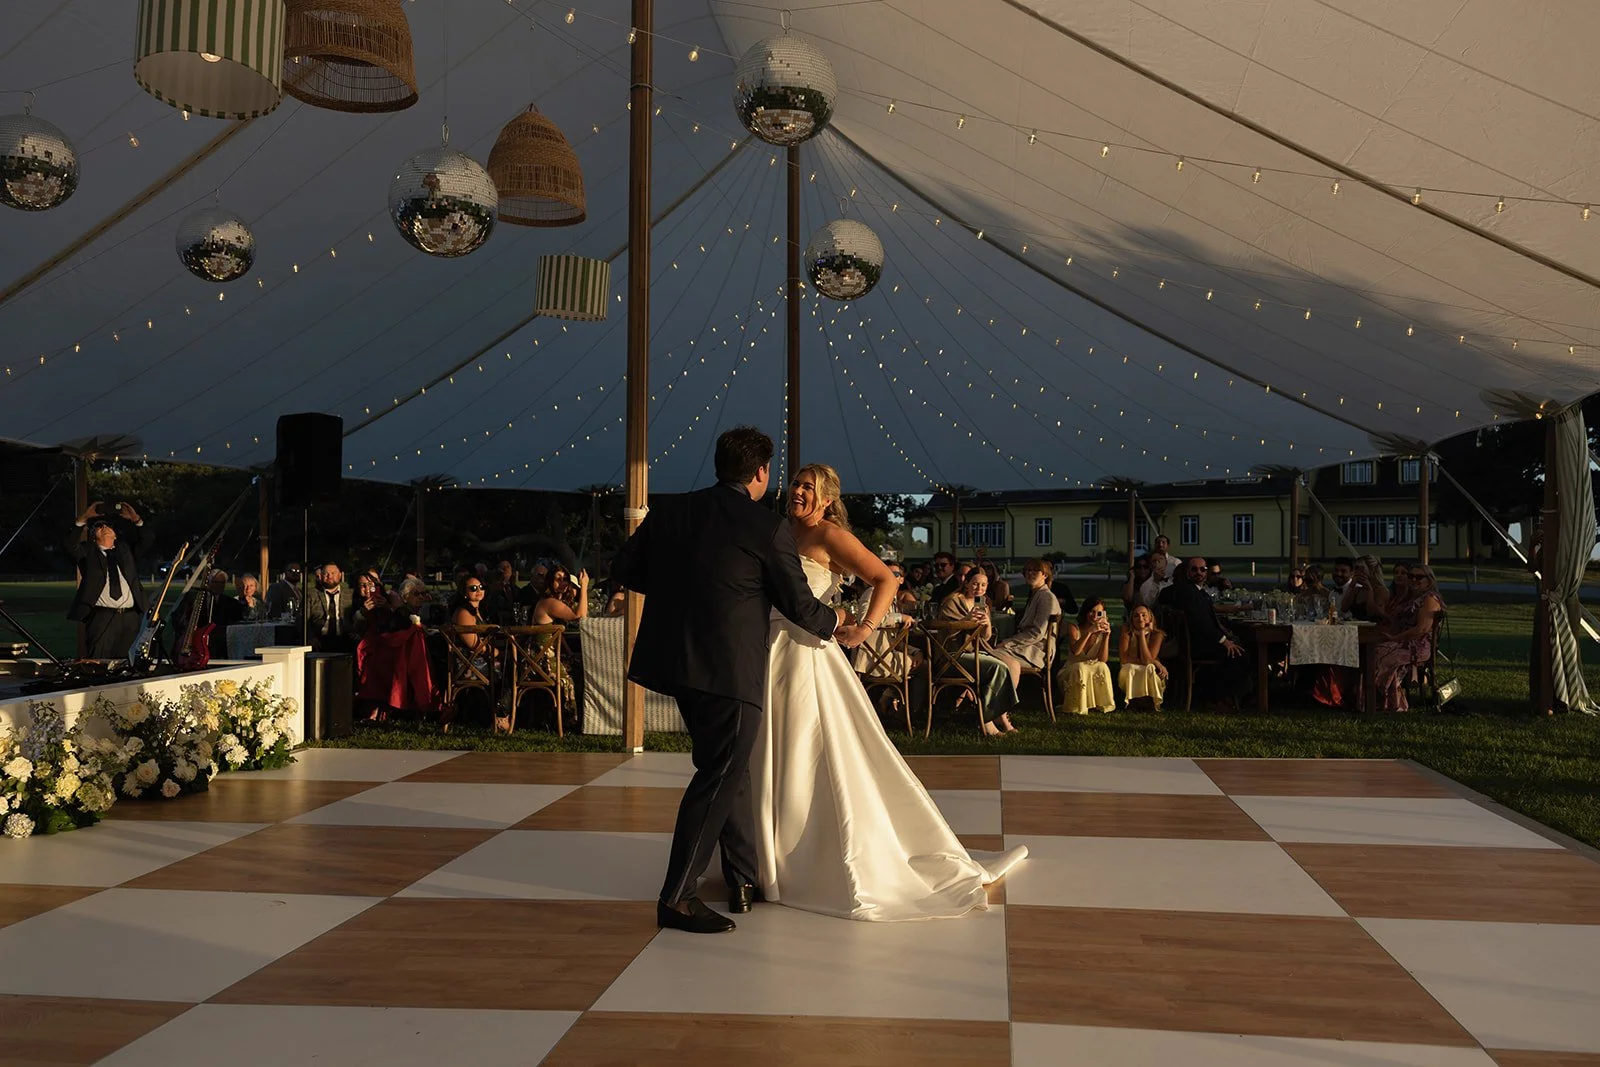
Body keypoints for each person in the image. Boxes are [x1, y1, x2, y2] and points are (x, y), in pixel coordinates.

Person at [611, 426, 862, 935]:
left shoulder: (673, 510)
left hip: (677, 664)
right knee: (720, 776)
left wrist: (683, 591)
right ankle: (677, 897)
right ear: (762, 473)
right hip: (730, 669)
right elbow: (798, 603)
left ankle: (742, 878)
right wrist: (841, 626)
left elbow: (624, 567)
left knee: (729, 769)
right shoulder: (764, 527)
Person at [752, 460, 1027, 920]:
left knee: (808, 750)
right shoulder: (779, 531)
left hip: (806, 655)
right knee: (769, 752)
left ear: (825, 500)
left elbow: (886, 577)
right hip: (768, 650)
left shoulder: (829, 536)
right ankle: (769, 858)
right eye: (796, 483)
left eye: (808, 487)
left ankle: (811, 859)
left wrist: (865, 628)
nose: (798, 491)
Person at [937, 567, 1021, 734]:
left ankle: (1000, 713)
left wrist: (987, 623)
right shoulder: (953, 601)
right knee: (998, 667)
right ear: (966, 583)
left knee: (1013, 665)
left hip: (976, 651)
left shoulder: (981, 603)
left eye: (983, 585)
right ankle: (987, 719)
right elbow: (948, 632)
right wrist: (967, 620)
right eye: (975, 584)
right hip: (953, 655)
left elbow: (985, 637)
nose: (979, 589)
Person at [66, 501, 148, 660]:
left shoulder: (125, 552)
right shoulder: (88, 553)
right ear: (92, 537)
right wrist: (82, 519)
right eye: (98, 527)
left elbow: (147, 539)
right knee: (99, 661)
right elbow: (69, 544)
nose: (103, 528)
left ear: (115, 535)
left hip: (130, 617)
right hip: (102, 617)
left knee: (128, 662)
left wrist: (136, 520)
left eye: (107, 526)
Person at [1167, 557, 1252, 707]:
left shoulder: (1198, 592)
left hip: (1203, 641)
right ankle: (1218, 697)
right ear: (1187, 573)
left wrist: (1226, 635)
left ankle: (1237, 695)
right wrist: (1224, 641)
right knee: (1241, 655)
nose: (1199, 572)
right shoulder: (1188, 592)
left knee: (1243, 647)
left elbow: (1209, 617)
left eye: (1202, 569)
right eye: (1194, 569)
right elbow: (1200, 622)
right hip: (1198, 645)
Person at [1373, 564, 1445, 712]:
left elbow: (1421, 629)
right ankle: (1369, 697)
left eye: (1419, 577)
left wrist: (1394, 637)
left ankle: (1386, 701)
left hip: (1417, 646)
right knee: (1370, 650)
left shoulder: (1429, 599)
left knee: (1380, 655)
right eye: (1410, 576)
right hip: (1402, 641)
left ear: (1429, 580)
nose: (1414, 580)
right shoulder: (1412, 597)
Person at [991, 559, 1060, 691]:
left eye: (1035, 570)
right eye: (1027, 570)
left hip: (1035, 652)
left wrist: (1008, 642)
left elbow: (1037, 633)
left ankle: (997, 701)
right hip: (1024, 648)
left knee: (991, 656)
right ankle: (977, 698)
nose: (1030, 573)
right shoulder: (1035, 595)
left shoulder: (1046, 597)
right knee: (986, 655)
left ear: (1045, 575)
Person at [1057, 597, 1116, 714]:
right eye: (1091, 612)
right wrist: (1090, 632)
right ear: (1085, 612)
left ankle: (1100, 703)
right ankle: (1077, 706)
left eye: (1098, 613)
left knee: (1102, 666)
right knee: (1080, 668)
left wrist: (1106, 636)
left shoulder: (1101, 631)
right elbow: (1076, 651)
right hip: (1072, 669)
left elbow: (1103, 660)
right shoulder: (1074, 628)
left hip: (1091, 669)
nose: (1094, 616)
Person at [1118, 604, 1167, 710]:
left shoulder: (1157, 635)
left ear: (1150, 618)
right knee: (1131, 667)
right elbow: (1124, 658)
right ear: (1131, 619)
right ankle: (1133, 701)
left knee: (1149, 668)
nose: (1140, 619)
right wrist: (1155, 662)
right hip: (1129, 670)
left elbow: (1147, 661)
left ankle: (1149, 701)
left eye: (1144, 615)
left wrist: (1141, 634)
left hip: (1149, 670)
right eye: (1136, 616)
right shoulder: (1127, 631)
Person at [304, 562, 353, 653]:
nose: (329, 576)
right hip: (319, 638)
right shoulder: (311, 594)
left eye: (333, 573)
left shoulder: (350, 595)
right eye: (326, 574)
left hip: (344, 638)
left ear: (340, 575)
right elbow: (302, 619)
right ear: (321, 576)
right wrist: (310, 637)